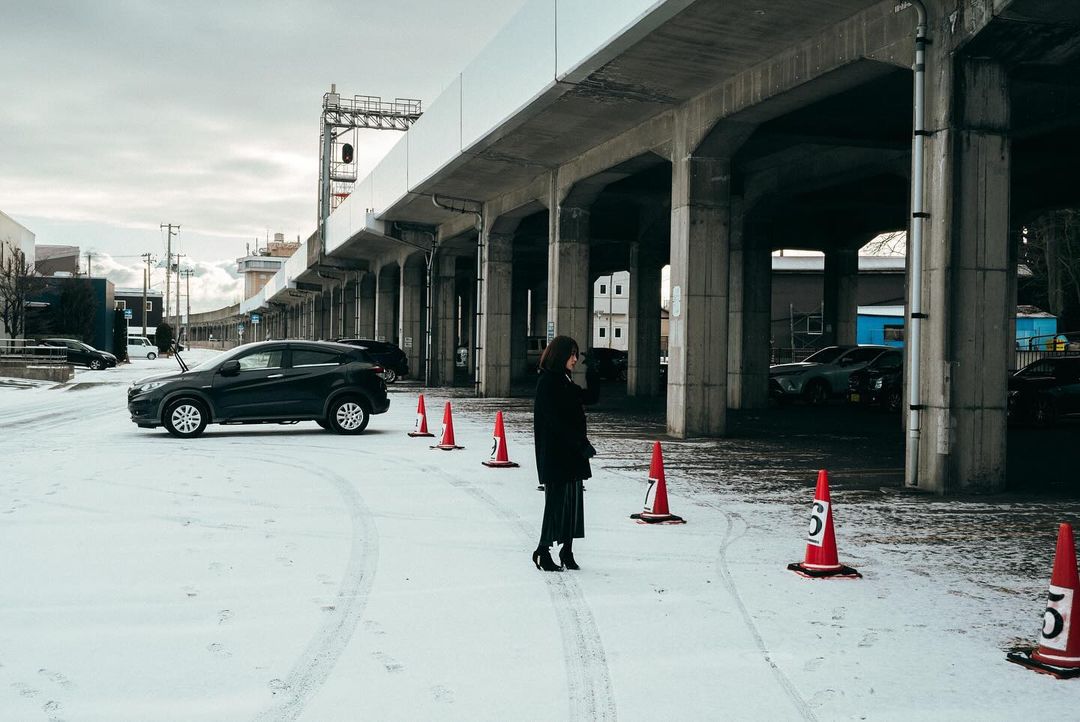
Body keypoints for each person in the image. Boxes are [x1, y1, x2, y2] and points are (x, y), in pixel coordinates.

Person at [531, 335, 597, 572]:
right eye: (571, 354)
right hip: (557, 455)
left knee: (572, 504)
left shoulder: (564, 380)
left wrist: (594, 372)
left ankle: (566, 551)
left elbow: (589, 398)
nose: (574, 359)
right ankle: (542, 551)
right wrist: (580, 444)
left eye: (576, 354)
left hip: (570, 454)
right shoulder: (549, 382)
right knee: (556, 504)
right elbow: (555, 422)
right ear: (560, 355)